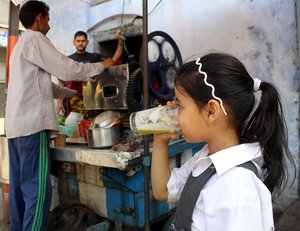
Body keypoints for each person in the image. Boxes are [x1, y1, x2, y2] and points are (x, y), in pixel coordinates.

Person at [4, 1, 121, 230]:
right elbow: (66, 68)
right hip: (31, 127)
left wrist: (72, 92)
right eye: (47, 18)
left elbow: (42, 85)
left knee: (20, 190)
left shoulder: (20, 46)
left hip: (15, 128)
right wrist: (101, 65)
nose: (49, 23)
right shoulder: (36, 39)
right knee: (37, 193)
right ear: (38, 18)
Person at [151, 52, 295, 231]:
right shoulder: (205, 158)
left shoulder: (237, 188)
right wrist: (160, 142)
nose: (173, 112)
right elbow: (162, 191)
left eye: (180, 105)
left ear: (211, 111)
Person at [56, 30, 123, 116]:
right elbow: (61, 82)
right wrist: (59, 102)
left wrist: (120, 43)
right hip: (74, 101)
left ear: (87, 42)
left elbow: (113, 60)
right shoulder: (68, 60)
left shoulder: (95, 57)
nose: (80, 43)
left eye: (83, 41)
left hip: (94, 99)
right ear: (74, 42)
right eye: (78, 41)